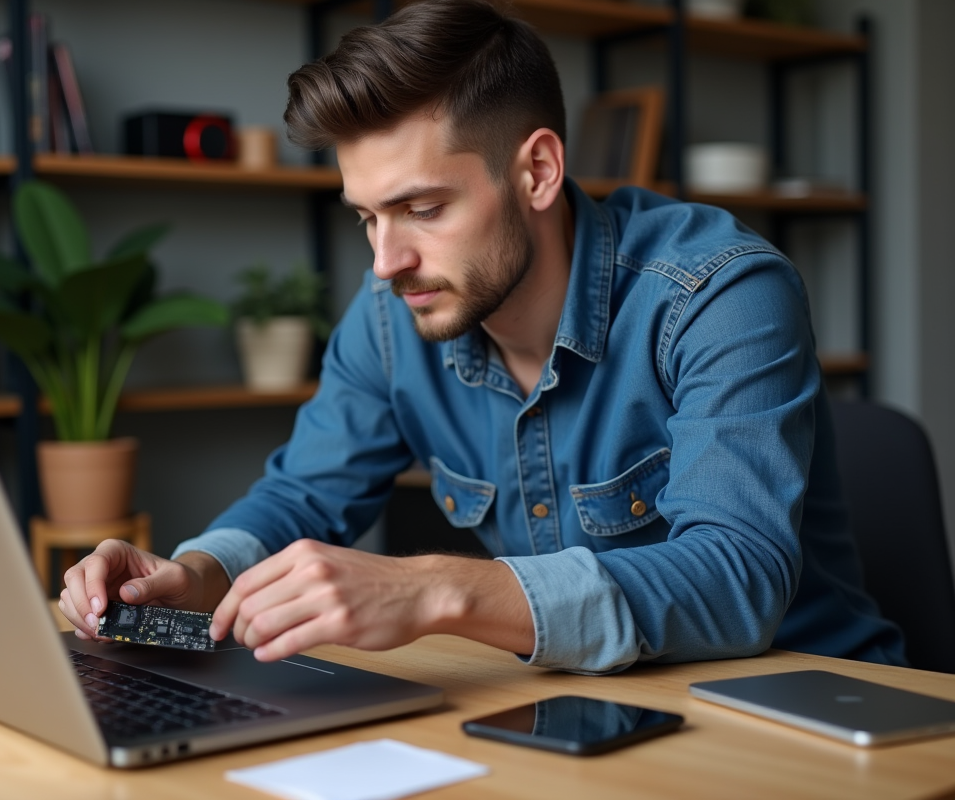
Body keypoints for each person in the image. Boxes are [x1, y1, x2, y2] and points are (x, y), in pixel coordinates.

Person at [61, 0, 905, 673]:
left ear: (537, 170)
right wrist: (196, 574)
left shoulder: (720, 292)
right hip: (595, 711)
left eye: (424, 209)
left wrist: (434, 589)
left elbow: (736, 579)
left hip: (810, 713)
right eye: (367, 217)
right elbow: (303, 497)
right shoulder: (393, 314)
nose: (388, 260)